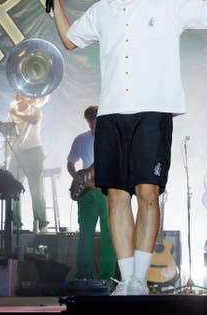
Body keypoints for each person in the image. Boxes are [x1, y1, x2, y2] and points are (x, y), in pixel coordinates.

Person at [43, 0, 207, 295]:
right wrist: (56, 1)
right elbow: (69, 40)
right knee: (115, 195)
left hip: (152, 111)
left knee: (147, 193)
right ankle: (125, 279)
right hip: (112, 114)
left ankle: (139, 280)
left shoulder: (168, 1)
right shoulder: (103, 10)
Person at [67, 105, 116, 281]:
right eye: (90, 122)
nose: (92, 125)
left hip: (107, 191)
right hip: (86, 193)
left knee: (109, 235)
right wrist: (76, 177)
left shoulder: (113, 138)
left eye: (95, 121)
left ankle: (107, 277)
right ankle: (83, 276)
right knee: (85, 234)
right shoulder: (81, 139)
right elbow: (70, 163)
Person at [8, 92, 49, 232]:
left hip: (33, 151)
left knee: (37, 189)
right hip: (17, 152)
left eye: (21, 93)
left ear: (28, 96)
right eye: (16, 93)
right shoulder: (12, 111)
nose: (17, 95)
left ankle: (42, 224)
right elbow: (8, 130)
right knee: (13, 188)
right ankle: (15, 223)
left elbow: (34, 120)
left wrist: (17, 114)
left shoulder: (35, 110)